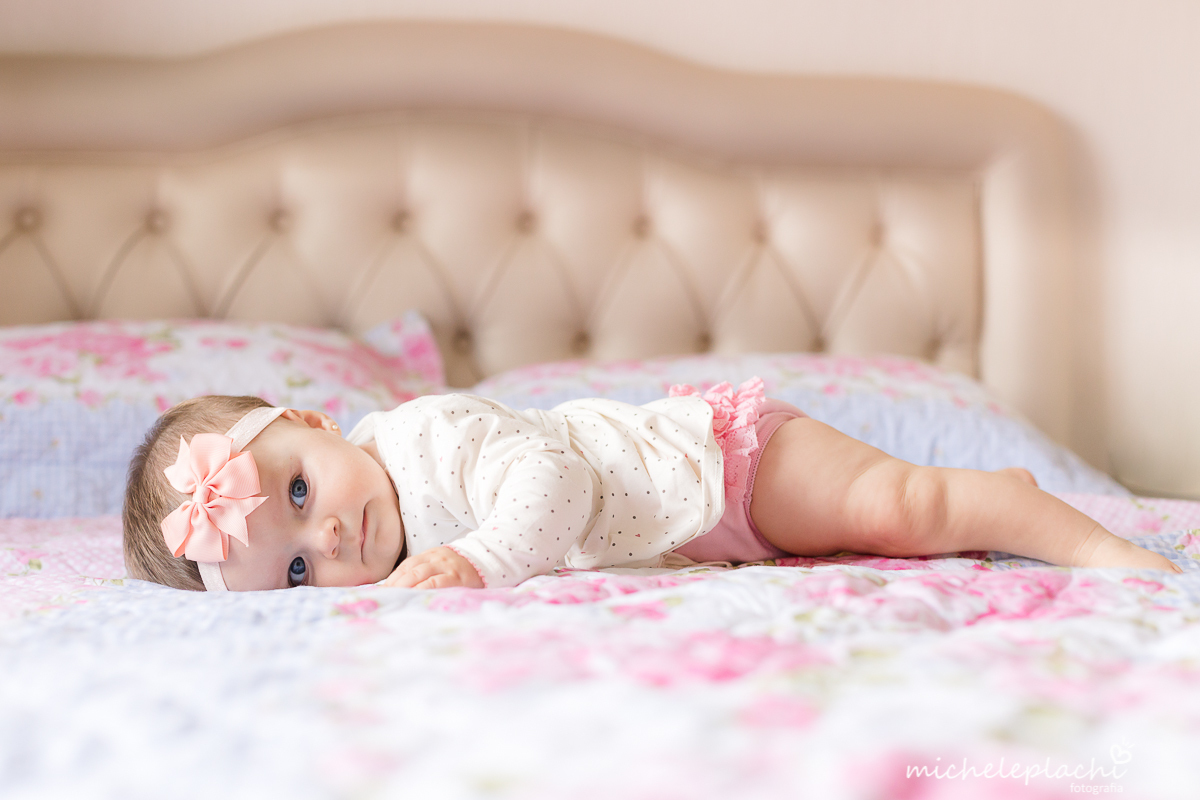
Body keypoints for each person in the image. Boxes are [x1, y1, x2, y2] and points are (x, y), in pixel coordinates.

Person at [122, 379, 1180, 592]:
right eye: (296, 574)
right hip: (699, 538)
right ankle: (987, 498)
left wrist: (480, 560)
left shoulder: (424, 435)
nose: (328, 539)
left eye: (297, 494)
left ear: (316, 424)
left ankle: (1078, 537)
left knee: (902, 510)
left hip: (722, 465)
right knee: (880, 533)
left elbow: (552, 482)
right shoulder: (397, 574)